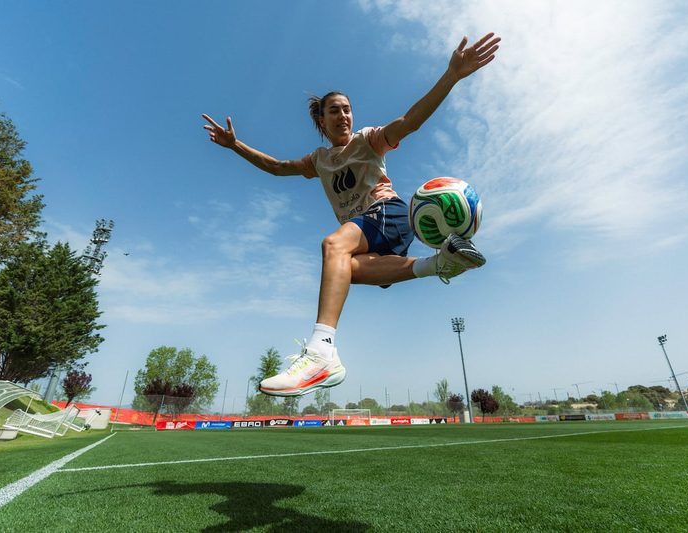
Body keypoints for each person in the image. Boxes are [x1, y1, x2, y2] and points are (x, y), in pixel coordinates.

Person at [202, 32, 501, 397]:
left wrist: (451, 75)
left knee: (333, 246)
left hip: (388, 212)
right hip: (368, 233)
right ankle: (439, 265)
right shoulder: (319, 160)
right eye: (334, 110)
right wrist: (235, 146)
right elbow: (278, 167)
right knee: (348, 270)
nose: (343, 114)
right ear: (322, 121)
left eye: (347, 108)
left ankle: (321, 349)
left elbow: (410, 121)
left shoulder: (368, 140)